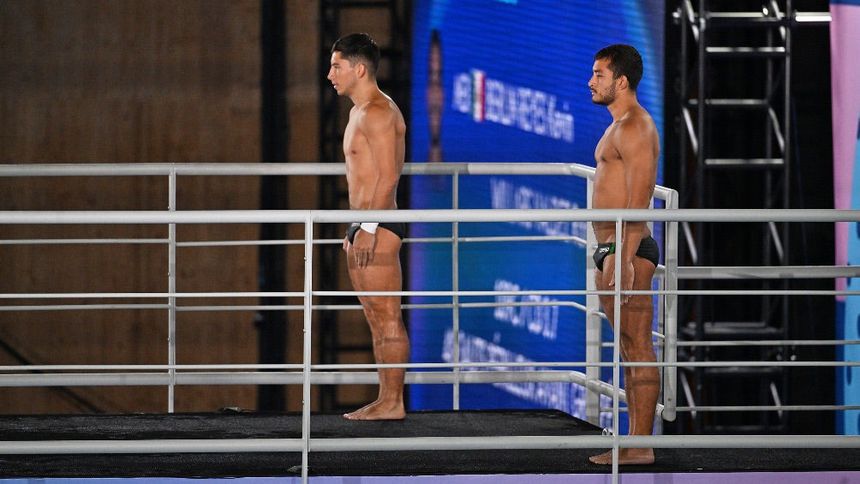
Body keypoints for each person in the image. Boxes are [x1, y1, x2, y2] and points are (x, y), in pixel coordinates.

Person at [328, 33, 409, 420]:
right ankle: (385, 398)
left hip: (379, 227)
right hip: (363, 225)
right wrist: (356, 227)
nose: (330, 75)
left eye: (336, 66)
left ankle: (394, 402)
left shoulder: (378, 111)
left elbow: (389, 175)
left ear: (359, 69)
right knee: (375, 318)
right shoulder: (358, 112)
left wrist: (371, 228)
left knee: (388, 315)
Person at [588, 44, 660, 465]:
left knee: (638, 345)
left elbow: (641, 196)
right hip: (612, 248)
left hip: (627, 250)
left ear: (622, 81)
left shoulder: (635, 126)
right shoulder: (618, 125)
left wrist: (622, 254)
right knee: (629, 348)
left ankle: (642, 445)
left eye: (599, 74)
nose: (591, 82)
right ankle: (634, 441)